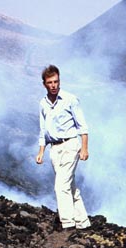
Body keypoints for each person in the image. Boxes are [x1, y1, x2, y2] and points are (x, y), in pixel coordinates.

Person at [36, 64, 91, 230]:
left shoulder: (70, 99)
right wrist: (41, 152)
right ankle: (83, 222)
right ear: (44, 84)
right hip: (55, 148)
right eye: (50, 82)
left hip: (70, 145)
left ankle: (67, 224)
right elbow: (43, 129)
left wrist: (84, 148)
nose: (54, 85)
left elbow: (83, 126)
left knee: (61, 185)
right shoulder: (43, 103)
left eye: (56, 82)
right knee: (69, 185)